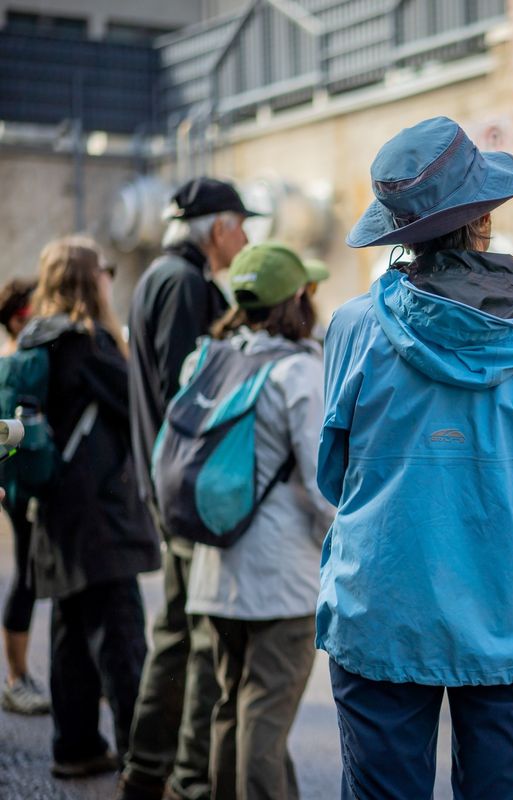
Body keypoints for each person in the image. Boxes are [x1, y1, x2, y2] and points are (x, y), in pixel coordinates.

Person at [317, 117, 513, 800]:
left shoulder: (354, 326)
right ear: (483, 220)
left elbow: (334, 475)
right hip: (512, 610)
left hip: (382, 608)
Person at [170, 243, 333, 800]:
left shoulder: (205, 360)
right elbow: (323, 486)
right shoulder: (299, 371)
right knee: (263, 718)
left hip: (215, 572)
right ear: (296, 299)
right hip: (280, 579)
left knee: (230, 709)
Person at [121, 178, 259, 800]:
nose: (247, 236)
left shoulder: (161, 276)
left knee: (176, 634)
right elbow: (192, 396)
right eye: (240, 223)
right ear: (215, 227)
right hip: (186, 489)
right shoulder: (181, 282)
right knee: (194, 639)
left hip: (168, 481)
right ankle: (181, 777)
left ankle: (148, 769)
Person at [18, 237, 159, 777]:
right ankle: (140, 760)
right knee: (122, 639)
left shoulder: (36, 341)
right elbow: (138, 403)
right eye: (105, 270)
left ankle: (74, 748)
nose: (110, 279)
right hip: (100, 517)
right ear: (87, 278)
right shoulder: (89, 342)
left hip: (55, 511)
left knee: (71, 635)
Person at [0, 276, 51, 716]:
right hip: (20, 490)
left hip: (26, 486)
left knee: (33, 575)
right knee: (28, 576)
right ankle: (15, 679)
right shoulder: (16, 365)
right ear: (20, 317)